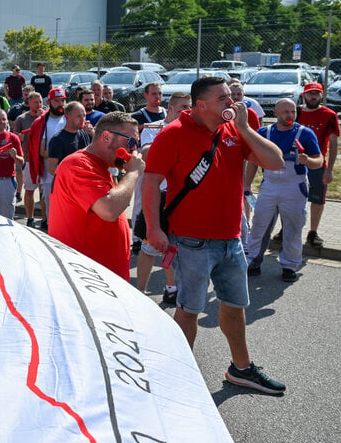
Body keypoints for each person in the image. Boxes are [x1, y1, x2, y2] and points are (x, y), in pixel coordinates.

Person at [142, 75, 286, 394]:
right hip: (190, 241)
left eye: (231, 97)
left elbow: (275, 163)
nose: (232, 103)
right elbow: (150, 181)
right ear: (201, 104)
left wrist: (247, 129)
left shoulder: (234, 129)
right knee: (189, 310)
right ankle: (177, 374)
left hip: (231, 239)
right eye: (223, 98)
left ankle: (242, 368)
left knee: (235, 306)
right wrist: (153, 228)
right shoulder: (173, 134)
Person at [50, 112, 144, 282]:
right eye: (130, 141)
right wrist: (133, 173)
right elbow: (109, 210)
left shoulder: (99, 165)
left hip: (100, 277)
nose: (133, 149)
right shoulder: (79, 164)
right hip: (87, 279)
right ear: (106, 137)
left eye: (136, 143)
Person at [244, 99, 322, 281]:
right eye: (285, 112)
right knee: (260, 225)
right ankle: (253, 261)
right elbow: (253, 161)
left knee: (293, 226)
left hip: (294, 186)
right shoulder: (264, 133)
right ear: (276, 114)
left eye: (293, 111)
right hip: (270, 184)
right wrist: (247, 185)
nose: (289, 115)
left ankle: (289, 265)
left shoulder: (305, 133)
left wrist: (308, 161)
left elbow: (318, 160)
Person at [131, 92, 189, 303]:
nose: (187, 111)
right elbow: (145, 153)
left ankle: (171, 288)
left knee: (174, 248)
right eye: (183, 107)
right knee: (148, 248)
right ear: (171, 109)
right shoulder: (154, 128)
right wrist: (167, 133)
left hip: (180, 197)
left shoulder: (191, 129)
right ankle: (140, 291)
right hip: (157, 197)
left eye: (189, 107)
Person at [296, 82, 339, 248]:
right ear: (304, 95)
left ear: (321, 95)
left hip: (317, 165)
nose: (313, 97)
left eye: (316, 93)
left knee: (317, 200)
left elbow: (334, 144)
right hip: (295, 164)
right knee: (290, 199)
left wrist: (329, 170)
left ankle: (313, 233)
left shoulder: (329, 115)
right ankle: (287, 229)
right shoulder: (296, 112)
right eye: (309, 93)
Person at [25, 87, 67, 230]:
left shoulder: (70, 118)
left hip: (69, 168)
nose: (60, 104)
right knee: (49, 202)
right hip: (50, 170)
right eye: (57, 101)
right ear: (49, 102)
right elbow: (41, 150)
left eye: (62, 100)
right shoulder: (41, 122)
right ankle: (52, 228)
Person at [13, 92, 43, 226]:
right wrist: (20, 137)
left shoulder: (47, 117)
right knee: (30, 190)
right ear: (29, 103)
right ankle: (30, 218)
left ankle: (45, 219)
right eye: (36, 102)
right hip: (29, 159)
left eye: (40, 101)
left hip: (43, 159)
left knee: (44, 191)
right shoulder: (21, 119)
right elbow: (15, 137)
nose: (39, 105)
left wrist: (42, 117)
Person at [47, 102, 93, 176]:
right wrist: (72, 177)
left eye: (84, 115)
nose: (83, 119)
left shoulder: (86, 133)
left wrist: (93, 134)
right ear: (67, 116)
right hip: (70, 182)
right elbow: (51, 168)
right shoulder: (57, 139)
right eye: (78, 116)